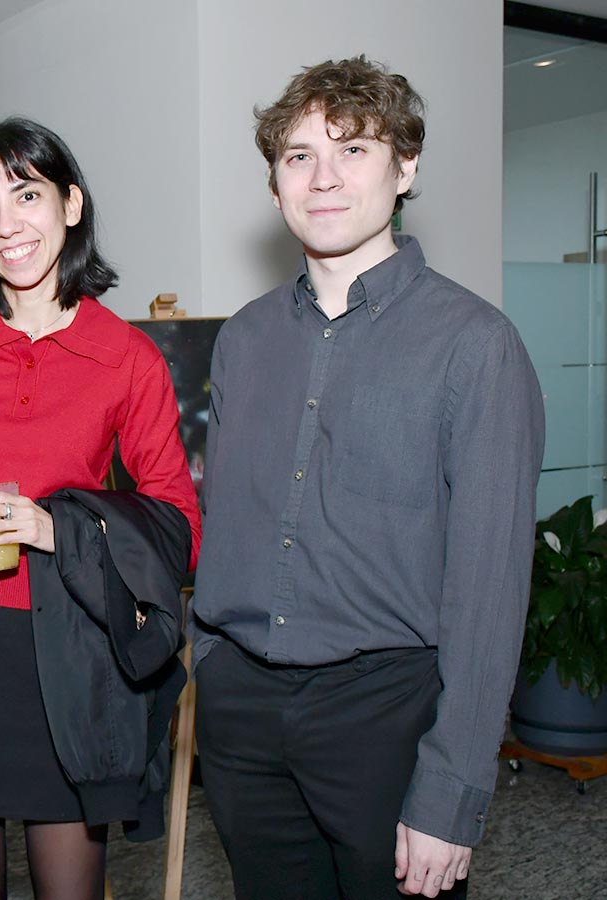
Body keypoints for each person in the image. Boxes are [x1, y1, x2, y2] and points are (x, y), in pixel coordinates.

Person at [191, 56, 545, 900]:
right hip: (244, 715)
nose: (323, 178)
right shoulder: (244, 339)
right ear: (275, 182)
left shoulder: (476, 345)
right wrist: (212, 662)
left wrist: (453, 787)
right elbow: (228, 522)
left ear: (405, 167)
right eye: (299, 155)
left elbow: (490, 589)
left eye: (353, 149)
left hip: (390, 715)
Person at [0, 117, 202, 900]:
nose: (6, 225)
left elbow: (178, 524)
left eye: (25, 195)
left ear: (71, 203)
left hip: (70, 650)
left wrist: (56, 527)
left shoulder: (126, 357)